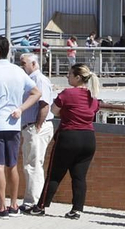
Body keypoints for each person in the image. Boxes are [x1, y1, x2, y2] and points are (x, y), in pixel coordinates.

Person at [0, 35, 43, 218]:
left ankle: (1, 207)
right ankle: (14, 205)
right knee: (12, 165)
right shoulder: (18, 71)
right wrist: (21, 109)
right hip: (13, 124)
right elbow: (36, 93)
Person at [30, 63, 102, 218]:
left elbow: (54, 111)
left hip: (69, 136)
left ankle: (41, 206)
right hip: (88, 138)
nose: (67, 77)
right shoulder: (93, 97)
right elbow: (93, 111)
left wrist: (66, 112)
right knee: (79, 176)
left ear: (78, 77)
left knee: (55, 174)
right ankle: (77, 209)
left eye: (70, 74)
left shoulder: (67, 93)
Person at [18, 51, 55, 213]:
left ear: (33, 64)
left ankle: (33, 201)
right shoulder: (30, 79)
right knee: (30, 163)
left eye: (24, 64)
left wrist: (37, 126)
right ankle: (32, 200)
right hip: (31, 126)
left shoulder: (38, 79)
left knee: (33, 164)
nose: (22, 67)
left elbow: (44, 104)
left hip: (36, 126)